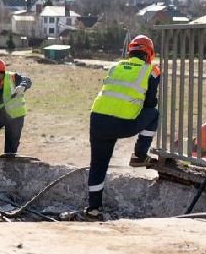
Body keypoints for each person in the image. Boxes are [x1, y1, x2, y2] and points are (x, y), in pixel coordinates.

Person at [64, 35, 160, 221]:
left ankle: (93, 208)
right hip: (123, 123)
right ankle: (140, 155)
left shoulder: (115, 66)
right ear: (149, 54)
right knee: (154, 113)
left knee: (98, 164)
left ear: (130, 52)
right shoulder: (152, 71)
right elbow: (149, 103)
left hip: (98, 119)